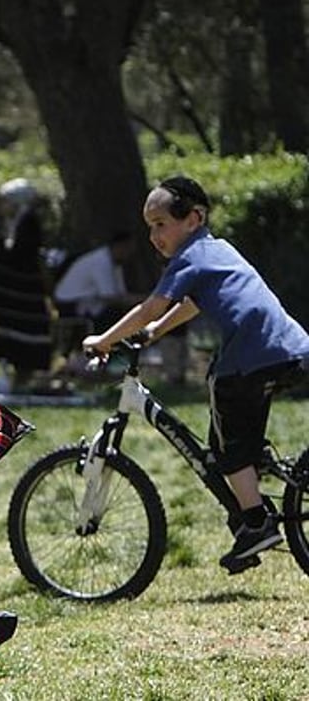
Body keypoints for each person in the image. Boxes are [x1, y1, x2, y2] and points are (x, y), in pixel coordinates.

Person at [83, 175, 309, 570]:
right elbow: (192, 303)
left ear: (194, 218)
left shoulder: (190, 256)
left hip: (252, 357)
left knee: (224, 418)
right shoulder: (216, 251)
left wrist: (104, 338)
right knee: (229, 432)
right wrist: (154, 334)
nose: (154, 236)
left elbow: (152, 305)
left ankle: (256, 523)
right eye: (149, 227)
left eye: (161, 224)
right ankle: (252, 484)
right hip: (289, 349)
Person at [0, 178, 53, 389]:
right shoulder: (18, 221)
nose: (2, 207)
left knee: (25, 337)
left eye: (6, 201)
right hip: (14, 295)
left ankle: (22, 379)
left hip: (24, 293)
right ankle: (12, 379)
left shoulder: (28, 222)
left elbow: (19, 255)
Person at [53, 230, 140, 332]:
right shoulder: (101, 261)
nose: (130, 253)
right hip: (69, 303)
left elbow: (121, 294)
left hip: (86, 302)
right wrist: (142, 300)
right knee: (113, 314)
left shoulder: (116, 264)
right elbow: (110, 298)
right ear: (120, 246)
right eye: (129, 248)